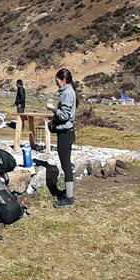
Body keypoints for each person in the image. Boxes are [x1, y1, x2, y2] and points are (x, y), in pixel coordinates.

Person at [46, 68, 77, 209]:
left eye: (57, 81)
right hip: (67, 132)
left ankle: (69, 199)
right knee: (66, 164)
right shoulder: (69, 92)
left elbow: (64, 115)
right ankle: (68, 194)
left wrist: (53, 109)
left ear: (63, 81)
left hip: (65, 134)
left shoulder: (67, 94)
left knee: (65, 165)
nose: (56, 83)